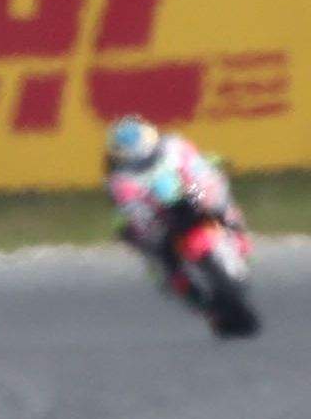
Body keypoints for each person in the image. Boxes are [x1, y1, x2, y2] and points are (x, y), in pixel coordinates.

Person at [101, 115, 246, 298]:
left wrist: (203, 182)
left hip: (190, 192)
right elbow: (129, 206)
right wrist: (140, 223)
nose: (142, 162)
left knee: (214, 200)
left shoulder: (173, 146)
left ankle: (235, 231)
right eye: (135, 161)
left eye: (146, 157)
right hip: (158, 211)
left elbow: (197, 167)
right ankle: (180, 284)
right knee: (155, 248)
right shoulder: (120, 178)